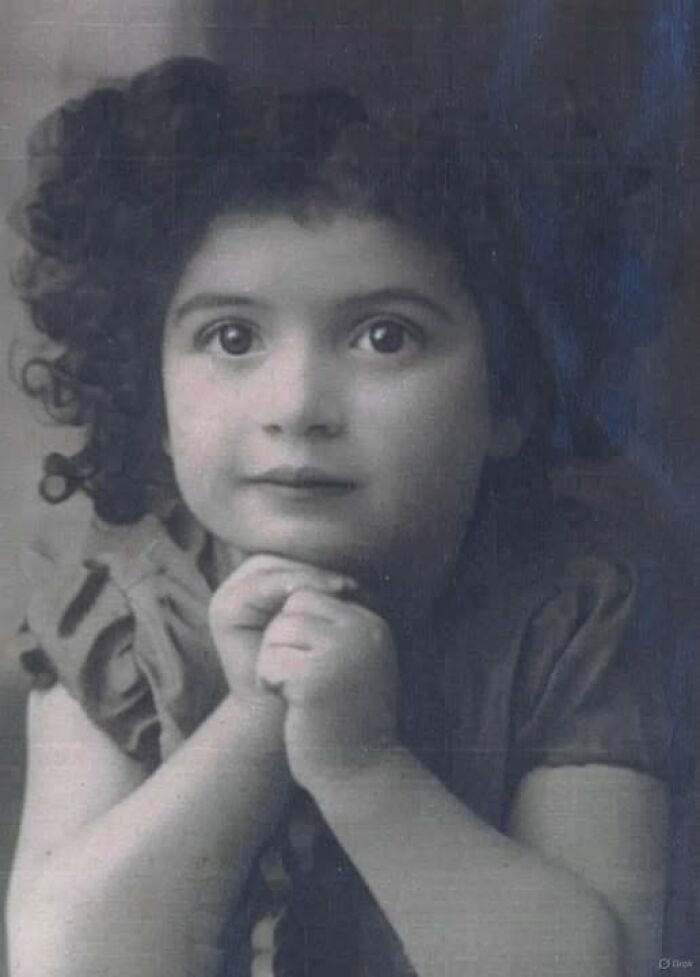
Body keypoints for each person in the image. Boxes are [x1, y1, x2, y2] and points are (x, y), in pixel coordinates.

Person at [5, 57, 671, 977]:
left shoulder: (571, 615)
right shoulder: (122, 615)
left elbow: (595, 968)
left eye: (383, 335)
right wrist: (251, 723)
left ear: (514, 391)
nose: (298, 403)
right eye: (231, 337)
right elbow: (62, 959)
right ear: (149, 399)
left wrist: (364, 766)